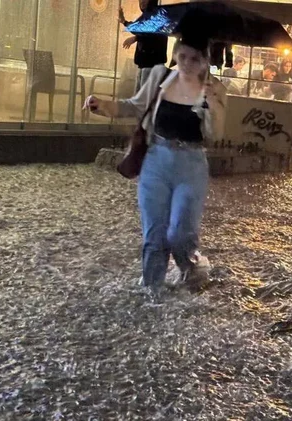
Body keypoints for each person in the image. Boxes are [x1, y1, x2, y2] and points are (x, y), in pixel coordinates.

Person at [83, 35, 227, 294]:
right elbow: (134, 106)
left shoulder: (215, 88)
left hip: (191, 164)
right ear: (175, 54)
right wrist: (101, 105)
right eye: (182, 56)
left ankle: (191, 272)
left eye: (195, 59)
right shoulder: (161, 77)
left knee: (180, 235)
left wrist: (212, 104)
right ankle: (151, 294)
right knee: (155, 236)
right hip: (156, 160)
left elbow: (216, 135)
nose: (187, 64)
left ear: (206, 60)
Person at [119, 0, 169, 92]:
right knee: (139, 99)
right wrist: (124, 22)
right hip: (145, 65)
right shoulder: (148, 16)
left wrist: (135, 37)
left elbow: (147, 32)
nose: (142, 2)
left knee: (144, 101)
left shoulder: (157, 15)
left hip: (152, 65)